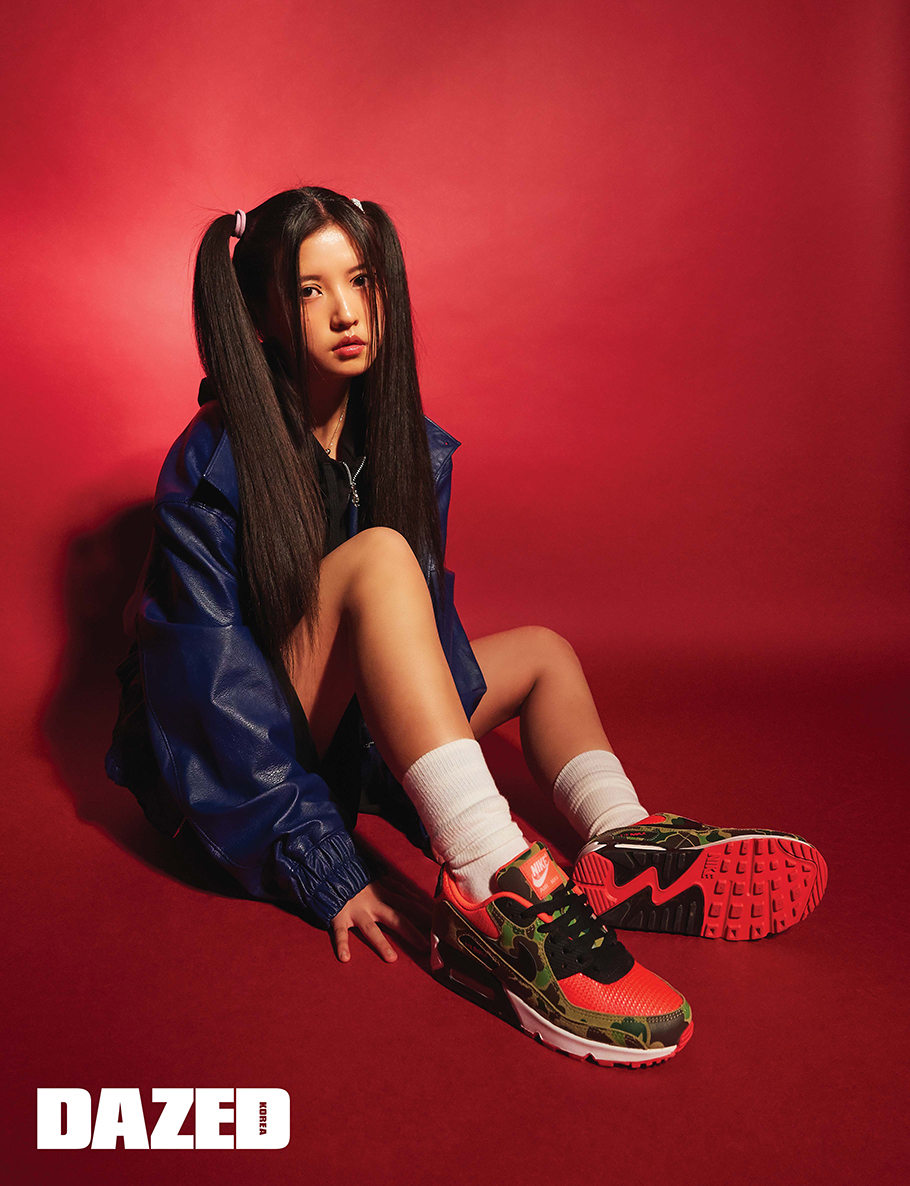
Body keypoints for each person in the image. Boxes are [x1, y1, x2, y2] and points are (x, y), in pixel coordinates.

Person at [106, 185, 827, 1068]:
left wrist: (417, 774)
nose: (346, 312)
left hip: (342, 731)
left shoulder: (396, 439)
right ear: (260, 317)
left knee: (543, 655)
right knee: (380, 558)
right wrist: (322, 864)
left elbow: (417, 633)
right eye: (309, 290)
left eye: (360, 281)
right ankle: (493, 883)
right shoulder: (210, 460)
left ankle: (621, 838)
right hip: (237, 767)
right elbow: (205, 695)